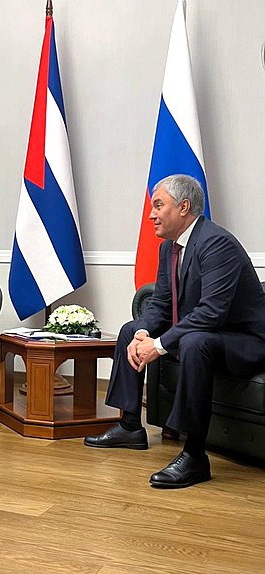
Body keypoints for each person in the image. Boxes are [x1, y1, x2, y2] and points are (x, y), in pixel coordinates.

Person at [84, 174, 265, 488]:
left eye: (158, 205)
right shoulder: (170, 248)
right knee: (129, 329)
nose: (151, 214)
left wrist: (159, 344)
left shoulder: (216, 242)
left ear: (184, 207)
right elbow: (161, 303)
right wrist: (143, 333)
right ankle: (129, 426)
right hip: (209, 333)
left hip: (244, 340)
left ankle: (195, 457)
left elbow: (212, 312)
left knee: (195, 342)